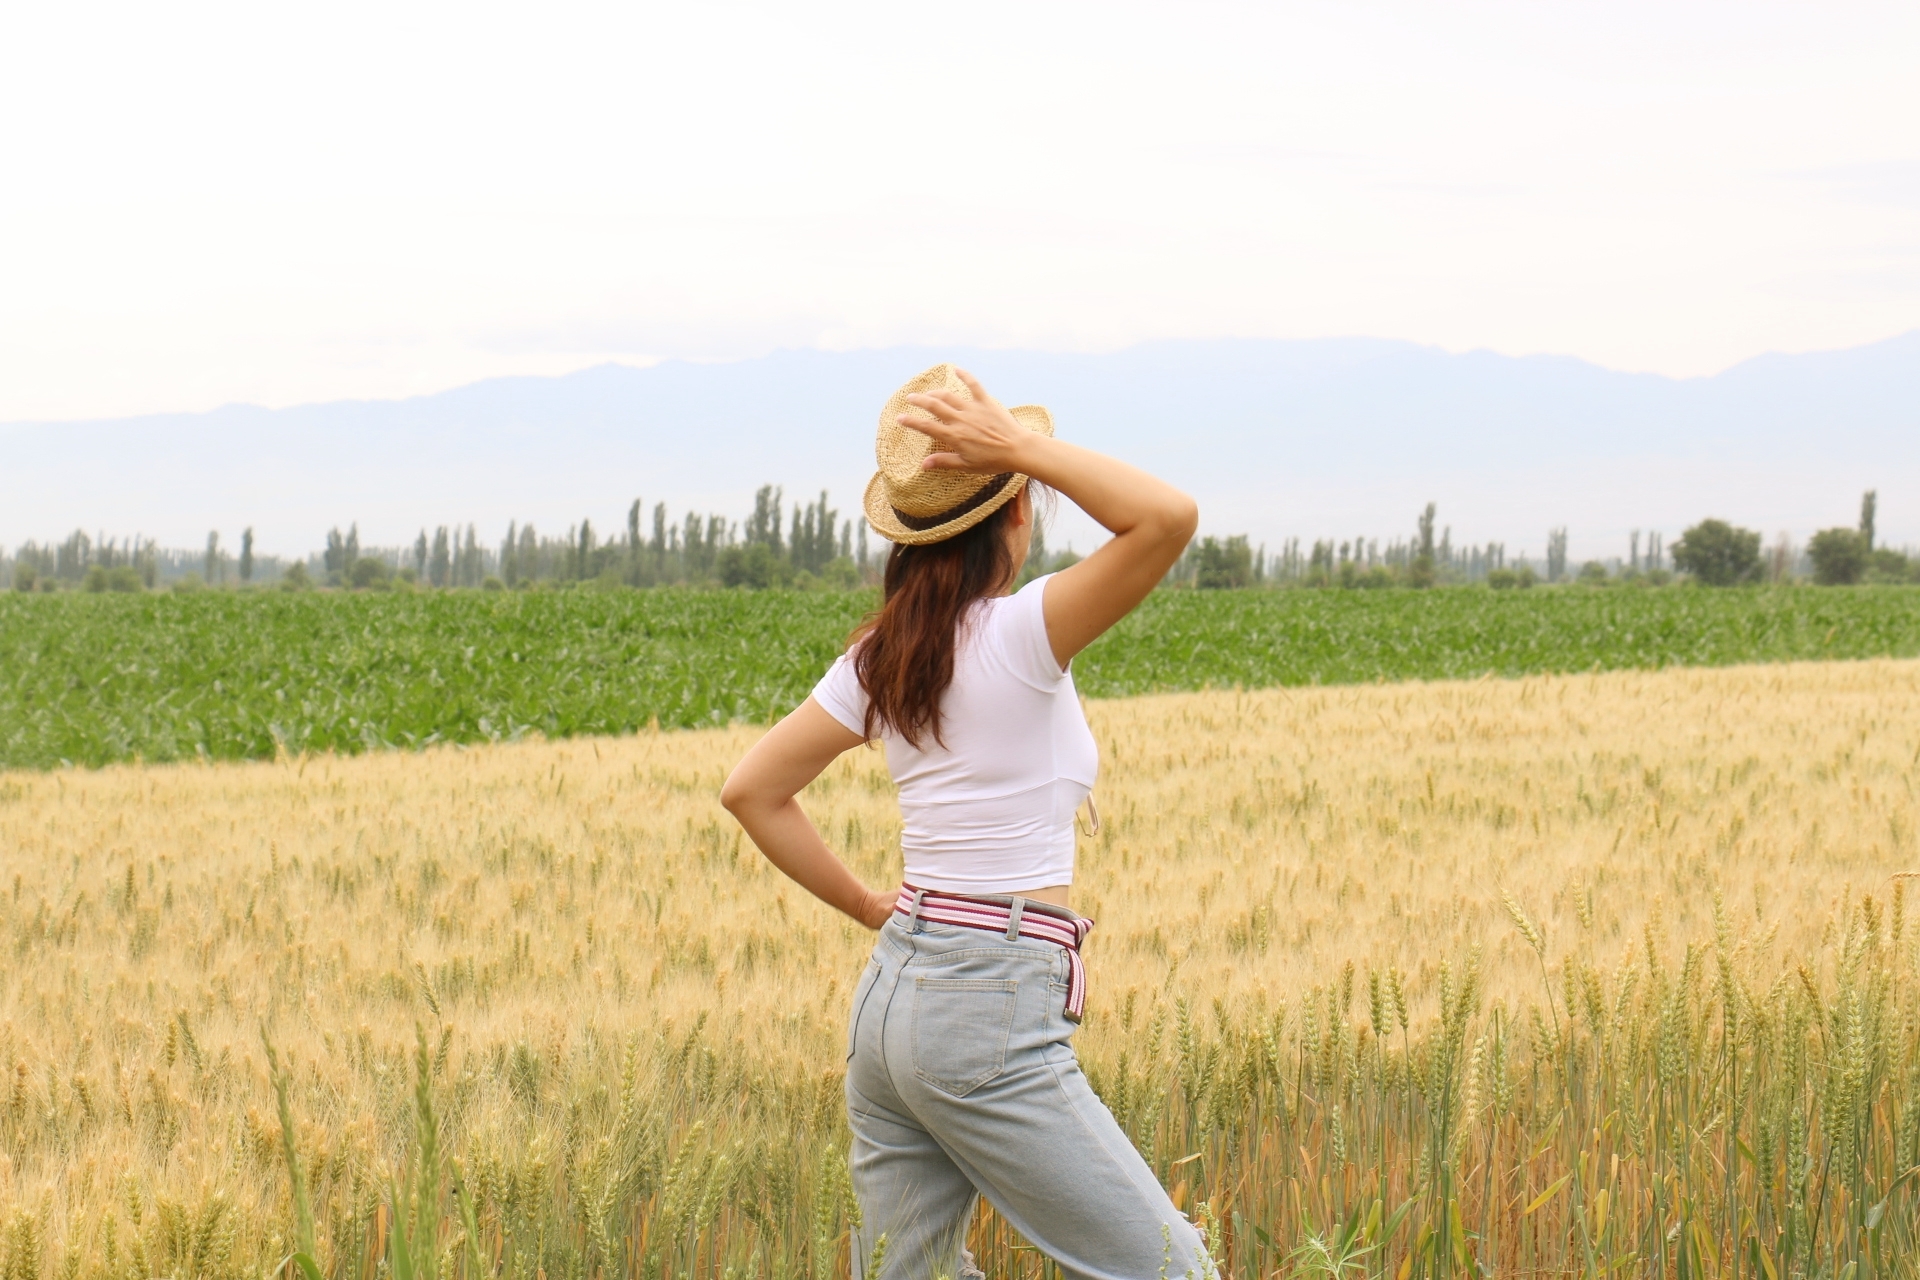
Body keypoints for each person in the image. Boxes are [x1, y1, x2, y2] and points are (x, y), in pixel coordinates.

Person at [721, 365, 1210, 1279]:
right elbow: (1168, 518)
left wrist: (872, 907)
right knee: (1171, 1270)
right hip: (987, 1007)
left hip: (890, 1000)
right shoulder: (1024, 632)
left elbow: (751, 790)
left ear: (908, 538)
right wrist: (1020, 449)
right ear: (1017, 516)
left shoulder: (880, 656)